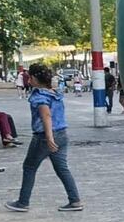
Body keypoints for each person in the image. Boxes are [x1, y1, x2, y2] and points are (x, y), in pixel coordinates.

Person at [5, 64, 83, 212]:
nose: (28, 80)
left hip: (44, 136)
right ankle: (75, 200)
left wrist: (48, 137)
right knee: (62, 168)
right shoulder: (55, 93)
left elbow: (46, 115)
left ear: (34, 78)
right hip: (62, 134)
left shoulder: (39, 96)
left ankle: (23, 202)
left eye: (30, 77)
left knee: (29, 167)